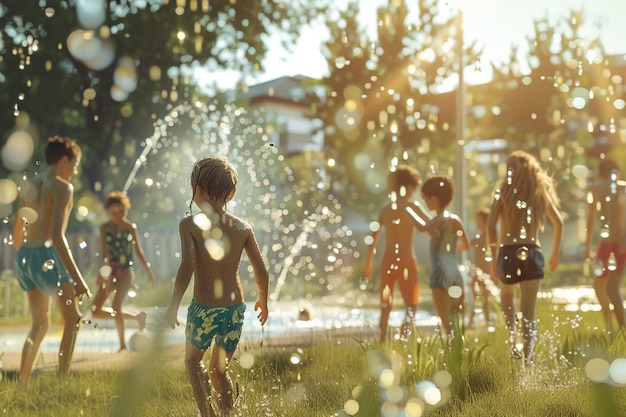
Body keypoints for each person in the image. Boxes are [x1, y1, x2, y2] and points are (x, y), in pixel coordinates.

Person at [165, 156, 269, 417]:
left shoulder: (189, 225)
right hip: (234, 309)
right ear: (232, 193)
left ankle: (207, 413)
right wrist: (263, 300)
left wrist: (173, 305)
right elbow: (261, 270)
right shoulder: (243, 228)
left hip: (204, 309)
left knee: (192, 362)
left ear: (194, 187)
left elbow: (188, 266)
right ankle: (227, 414)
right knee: (219, 369)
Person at [12, 135, 92, 386]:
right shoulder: (62, 186)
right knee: (73, 319)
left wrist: (23, 257)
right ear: (64, 161)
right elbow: (57, 236)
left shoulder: (31, 185)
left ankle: (22, 383)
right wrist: (79, 280)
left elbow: (18, 227)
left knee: (39, 323)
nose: (75, 172)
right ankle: (62, 381)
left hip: (25, 256)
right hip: (47, 254)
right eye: (75, 165)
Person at [487, 150, 563, 366]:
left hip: (508, 252)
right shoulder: (538, 191)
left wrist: (494, 257)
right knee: (529, 313)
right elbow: (559, 222)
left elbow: (491, 224)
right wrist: (555, 253)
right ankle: (528, 363)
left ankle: (513, 343)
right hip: (532, 251)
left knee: (507, 296)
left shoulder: (502, 191)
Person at [363, 164, 431, 343]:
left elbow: (373, 238)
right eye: (414, 188)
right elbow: (430, 226)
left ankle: (382, 340)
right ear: (409, 186)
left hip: (387, 261)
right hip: (407, 261)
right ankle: (402, 338)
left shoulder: (385, 210)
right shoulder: (412, 207)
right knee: (412, 305)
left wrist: (368, 262)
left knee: (386, 304)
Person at [90, 191, 156, 351]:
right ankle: (137, 317)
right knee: (95, 311)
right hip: (109, 271)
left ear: (126, 209)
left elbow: (138, 250)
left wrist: (148, 271)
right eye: (113, 212)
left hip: (126, 272)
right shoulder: (104, 228)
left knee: (115, 305)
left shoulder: (129, 227)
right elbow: (105, 254)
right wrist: (106, 275)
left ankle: (122, 345)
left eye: (121, 211)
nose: (117, 215)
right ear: (108, 211)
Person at [419, 175, 469, 338]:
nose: (424, 202)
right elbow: (466, 245)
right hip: (455, 274)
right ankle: (459, 357)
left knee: (447, 326)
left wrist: (408, 208)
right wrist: (451, 250)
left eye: (425, 198)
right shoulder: (456, 221)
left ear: (434, 198)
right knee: (456, 323)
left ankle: (452, 360)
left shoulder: (438, 220)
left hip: (440, 275)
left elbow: (423, 227)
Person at [585, 159, 626, 331]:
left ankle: (620, 328)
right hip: (619, 244)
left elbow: (590, 219)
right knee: (606, 287)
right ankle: (612, 328)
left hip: (610, 244)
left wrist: (587, 247)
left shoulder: (595, 188)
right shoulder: (623, 187)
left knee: (607, 288)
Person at [467, 208, 495, 330]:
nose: (476, 223)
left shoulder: (490, 236)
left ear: (484, 221)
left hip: (487, 272)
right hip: (477, 272)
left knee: (484, 298)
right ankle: (475, 322)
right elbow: (467, 244)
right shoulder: (479, 236)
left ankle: (486, 322)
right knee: (477, 298)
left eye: (478, 220)